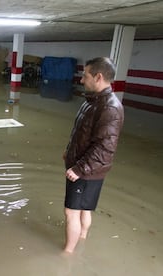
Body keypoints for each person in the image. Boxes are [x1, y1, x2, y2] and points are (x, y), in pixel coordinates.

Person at [63, 57, 124, 254]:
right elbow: (81, 133)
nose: (81, 80)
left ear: (98, 77)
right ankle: (82, 238)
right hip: (88, 168)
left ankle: (68, 254)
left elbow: (105, 147)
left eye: (85, 75)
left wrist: (79, 169)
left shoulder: (109, 108)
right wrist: (69, 150)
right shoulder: (93, 101)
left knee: (71, 212)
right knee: (85, 208)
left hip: (86, 171)